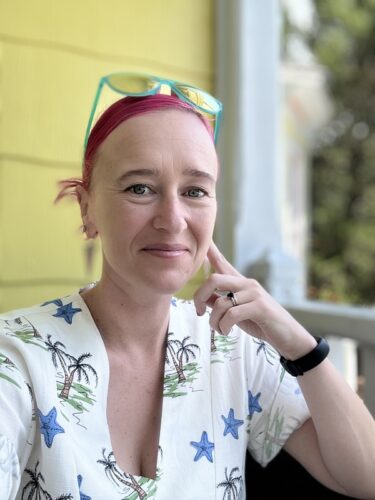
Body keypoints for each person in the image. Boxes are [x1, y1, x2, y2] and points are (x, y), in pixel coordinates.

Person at [0, 73, 374, 500]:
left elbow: (366, 477)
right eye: (140, 188)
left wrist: (300, 347)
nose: (173, 219)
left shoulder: (230, 348)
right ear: (88, 210)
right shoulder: (17, 358)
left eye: (195, 191)